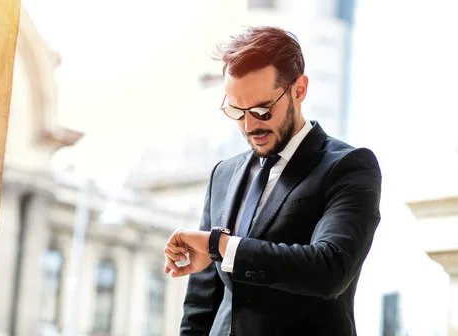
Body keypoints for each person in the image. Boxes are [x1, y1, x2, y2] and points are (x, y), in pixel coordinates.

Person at [163, 26, 381, 336]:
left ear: (299, 90)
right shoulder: (223, 174)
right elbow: (202, 302)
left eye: (262, 110)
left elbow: (329, 270)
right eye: (237, 111)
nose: (249, 125)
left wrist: (221, 245)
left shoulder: (348, 166)